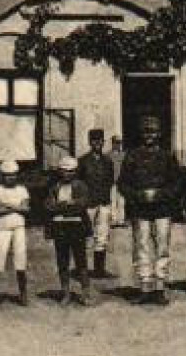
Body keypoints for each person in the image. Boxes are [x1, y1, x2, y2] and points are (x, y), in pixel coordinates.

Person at [116, 115, 184, 304]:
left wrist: (159, 195)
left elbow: (178, 183)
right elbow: (122, 184)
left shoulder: (167, 156)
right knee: (142, 247)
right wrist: (139, 195)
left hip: (162, 209)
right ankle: (145, 287)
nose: (149, 135)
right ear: (141, 133)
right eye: (146, 131)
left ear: (159, 134)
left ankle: (160, 287)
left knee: (162, 247)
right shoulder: (132, 156)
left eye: (153, 131)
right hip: (140, 210)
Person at [47, 155, 94, 306]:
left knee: (81, 261)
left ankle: (85, 293)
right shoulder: (55, 187)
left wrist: (66, 205)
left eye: (71, 171)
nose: (68, 174)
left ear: (75, 172)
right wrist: (65, 206)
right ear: (60, 171)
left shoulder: (81, 186)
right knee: (62, 261)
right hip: (60, 227)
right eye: (65, 171)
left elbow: (82, 204)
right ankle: (65, 292)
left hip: (77, 227)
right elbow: (49, 205)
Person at [0, 159, 32, 307]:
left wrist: (8, 206)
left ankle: (23, 294)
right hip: (2, 228)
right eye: (7, 175)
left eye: (13, 174)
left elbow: (26, 209)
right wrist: (17, 206)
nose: (10, 177)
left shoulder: (22, 190)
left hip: (19, 226)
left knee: (21, 260)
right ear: (2, 175)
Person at [78, 129, 117, 278]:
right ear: (90, 142)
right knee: (85, 236)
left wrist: (109, 204)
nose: (97, 143)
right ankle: (83, 270)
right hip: (88, 205)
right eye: (94, 140)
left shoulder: (108, 162)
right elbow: (79, 184)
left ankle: (99, 270)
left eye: (100, 140)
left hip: (103, 203)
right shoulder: (82, 161)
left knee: (102, 236)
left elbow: (110, 181)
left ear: (103, 142)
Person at [109, 135, 127, 227]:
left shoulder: (124, 155)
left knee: (121, 201)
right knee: (112, 201)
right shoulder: (108, 155)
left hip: (122, 182)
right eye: (116, 142)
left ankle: (121, 220)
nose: (117, 145)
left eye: (119, 143)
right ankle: (113, 220)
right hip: (112, 182)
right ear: (112, 143)